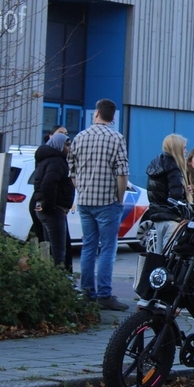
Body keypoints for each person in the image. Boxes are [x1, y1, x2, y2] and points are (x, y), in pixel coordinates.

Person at [68, 99, 130, 311]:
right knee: (108, 249)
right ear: (113, 117)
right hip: (107, 201)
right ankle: (104, 294)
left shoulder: (80, 137)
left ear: (96, 114)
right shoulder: (116, 138)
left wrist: (82, 190)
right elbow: (122, 173)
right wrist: (119, 198)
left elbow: (72, 171)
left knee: (88, 247)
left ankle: (87, 292)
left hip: (85, 201)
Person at [32, 132, 75, 269]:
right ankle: (58, 281)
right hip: (54, 210)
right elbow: (48, 184)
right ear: (59, 145)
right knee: (58, 251)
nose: (70, 148)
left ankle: (51, 279)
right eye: (67, 145)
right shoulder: (57, 162)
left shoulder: (46, 160)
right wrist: (51, 207)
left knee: (50, 247)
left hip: (46, 208)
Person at [144, 134, 190, 254]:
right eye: (184, 148)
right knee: (168, 253)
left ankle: (156, 272)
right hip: (171, 217)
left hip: (157, 215)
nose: (186, 151)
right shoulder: (173, 167)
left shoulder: (157, 163)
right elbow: (176, 195)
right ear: (176, 148)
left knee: (158, 253)